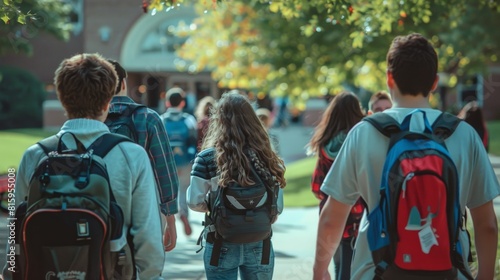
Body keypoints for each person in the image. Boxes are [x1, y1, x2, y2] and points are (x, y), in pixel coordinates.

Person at [313, 33, 500, 280]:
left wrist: (320, 271)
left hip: (376, 272)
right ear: (434, 82)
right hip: (450, 272)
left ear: (389, 78)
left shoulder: (364, 133)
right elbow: (486, 224)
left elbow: (332, 216)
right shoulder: (464, 135)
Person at [3, 53, 165, 279]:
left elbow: (15, 230)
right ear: (109, 100)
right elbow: (148, 237)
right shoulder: (132, 155)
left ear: (62, 99)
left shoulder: (34, 155)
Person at [187, 92, 286, 279]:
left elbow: (194, 202)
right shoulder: (268, 157)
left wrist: (216, 204)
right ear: (253, 120)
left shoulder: (207, 158)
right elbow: (277, 207)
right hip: (260, 242)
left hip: (220, 241)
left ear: (219, 121)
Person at [107, 59, 179, 251]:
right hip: (142, 211)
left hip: (99, 211)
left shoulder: (91, 119)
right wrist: (170, 217)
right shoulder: (148, 117)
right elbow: (164, 170)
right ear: (123, 83)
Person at [306, 91, 365, 280]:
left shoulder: (325, 145)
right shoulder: (361, 141)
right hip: (359, 215)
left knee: (340, 266)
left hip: (332, 217)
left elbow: (317, 187)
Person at [161, 87, 198, 236]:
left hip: (167, 163)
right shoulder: (189, 119)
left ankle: (168, 222)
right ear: (182, 103)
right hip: (185, 161)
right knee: (183, 191)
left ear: (167, 103)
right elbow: (194, 141)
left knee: (167, 193)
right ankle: (183, 213)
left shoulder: (161, 119)